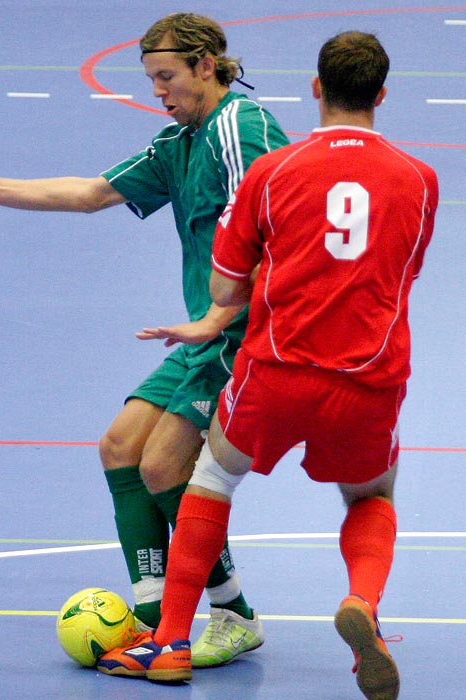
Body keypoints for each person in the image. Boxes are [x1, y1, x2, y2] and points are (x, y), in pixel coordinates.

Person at [0, 13, 290, 667]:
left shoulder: (242, 129)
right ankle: (149, 617)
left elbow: (280, 235)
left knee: (163, 466)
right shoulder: (179, 143)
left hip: (244, 331)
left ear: (206, 65)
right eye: (151, 80)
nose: (158, 91)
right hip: (204, 331)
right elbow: (90, 193)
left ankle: (230, 614)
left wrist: (222, 320)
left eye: (166, 77)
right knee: (120, 448)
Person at [96, 30, 438, 700]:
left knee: (211, 478)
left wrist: (214, 314)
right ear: (382, 95)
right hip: (368, 377)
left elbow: (228, 286)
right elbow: (403, 273)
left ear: (316, 89)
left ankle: (168, 642)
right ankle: (362, 604)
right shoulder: (417, 181)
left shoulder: (271, 171)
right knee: (369, 496)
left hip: (276, 371)